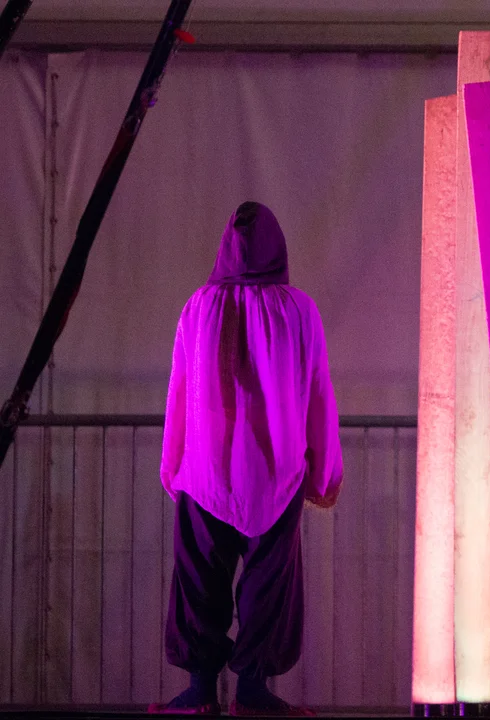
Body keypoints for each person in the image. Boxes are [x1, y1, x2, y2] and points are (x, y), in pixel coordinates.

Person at [152, 201, 343, 716]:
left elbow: (180, 389)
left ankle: (199, 691)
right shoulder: (299, 310)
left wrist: (174, 465)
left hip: (205, 473)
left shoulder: (198, 307)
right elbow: (318, 390)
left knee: (199, 580)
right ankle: (252, 691)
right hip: (275, 476)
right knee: (268, 584)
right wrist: (323, 470)